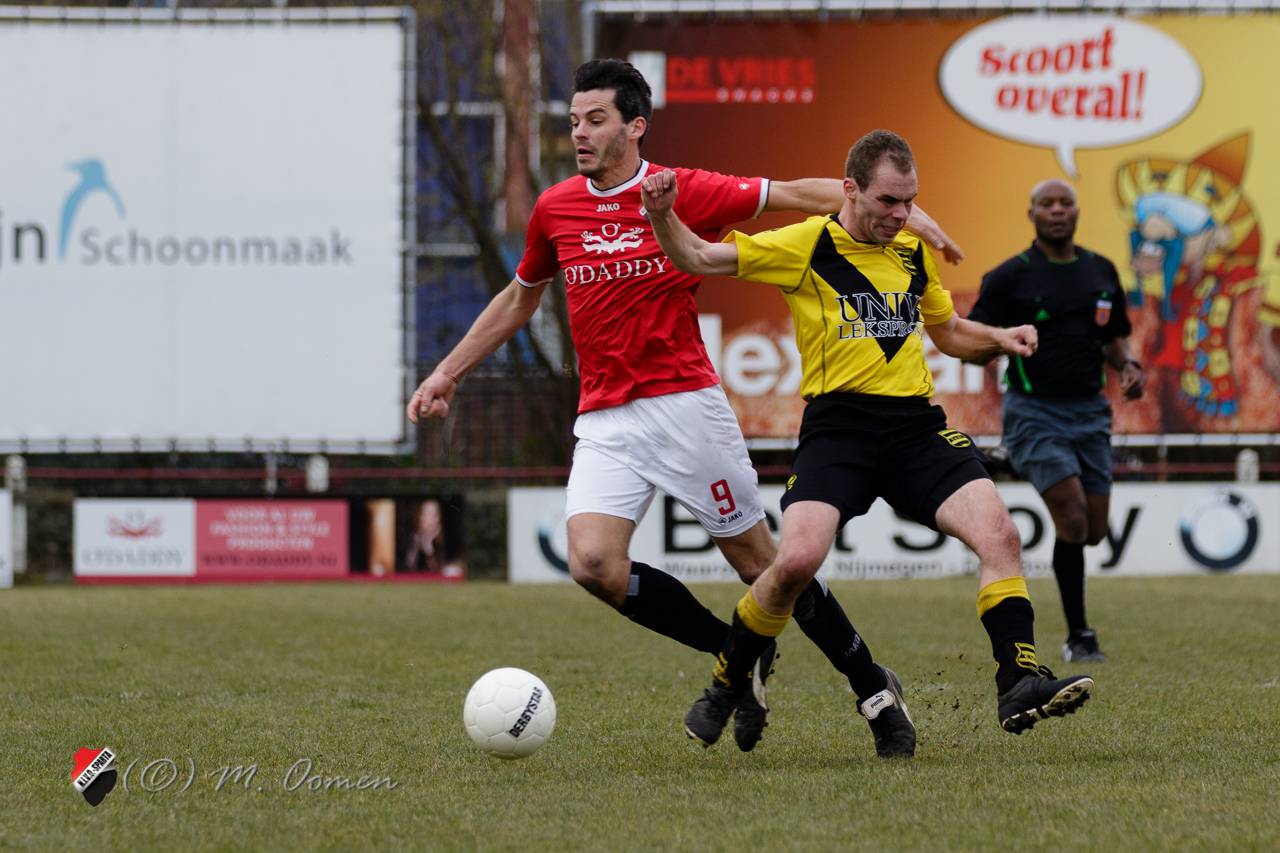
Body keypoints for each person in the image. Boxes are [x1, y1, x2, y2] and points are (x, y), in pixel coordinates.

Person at [411, 60, 962, 757]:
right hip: (605, 416)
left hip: (685, 406)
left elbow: (800, 192)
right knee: (593, 564)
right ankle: (736, 652)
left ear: (635, 126)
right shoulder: (555, 208)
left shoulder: (684, 190)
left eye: (596, 120)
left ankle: (873, 686)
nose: (579, 133)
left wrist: (908, 213)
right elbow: (521, 296)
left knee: (765, 567)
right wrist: (448, 373)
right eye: (574, 120)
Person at [640, 129, 1094, 749]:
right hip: (839, 430)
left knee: (1001, 535)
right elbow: (697, 257)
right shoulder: (805, 243)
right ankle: (726, 680)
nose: (902, 215)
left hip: (915, 430)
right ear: (849, 190)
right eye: (888, 201)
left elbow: (948, 333)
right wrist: (662, 215)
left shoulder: (911, 253)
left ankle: (1019, 679)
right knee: (794, 563)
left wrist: (999, 338)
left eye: (909, 201)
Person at [968, 180, 1143, 663]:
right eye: (1047, 204)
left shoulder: (1101, 270)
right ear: (1032, 214)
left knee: (1093, 530)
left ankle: (1011, 461)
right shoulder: (1010, 276)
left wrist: (1129, 366)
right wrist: (991, 344)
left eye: (1066, 203)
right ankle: (1079, 636)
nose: (1058, 210)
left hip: (1090, 411)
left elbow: (1114, 338)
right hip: (1033, 411)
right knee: (1072, 516)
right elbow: (971, 335)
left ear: (1077, 212)